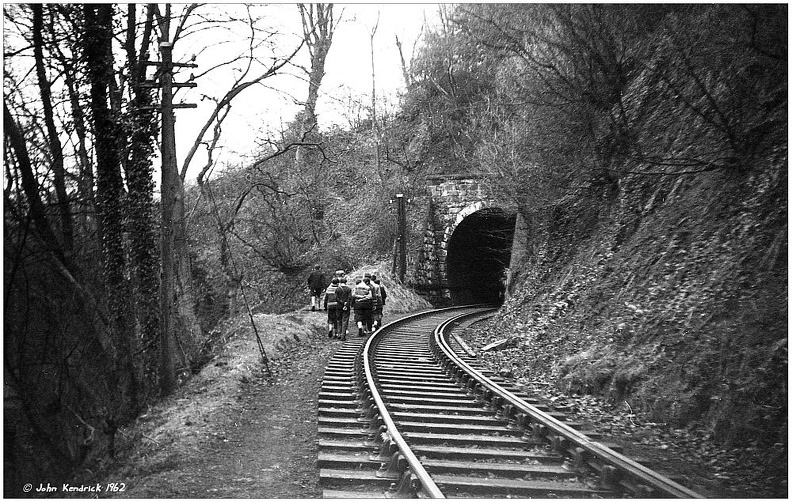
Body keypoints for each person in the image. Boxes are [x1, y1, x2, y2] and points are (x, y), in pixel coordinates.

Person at [335, 276, 352, 340]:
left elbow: (336, 298)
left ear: (340, 282)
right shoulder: (348, 289)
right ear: (346, 282)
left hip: (339, 306)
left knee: (339, 320)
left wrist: (342, 302)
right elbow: (350, 298)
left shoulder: (337, 289)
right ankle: (343, 336)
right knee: (345, 320)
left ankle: (339, 334)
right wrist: (346, 304)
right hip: (346, 307)